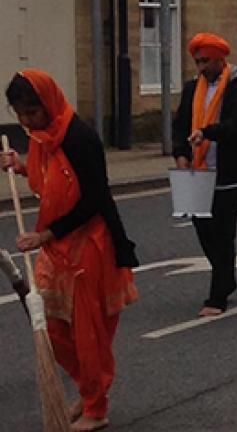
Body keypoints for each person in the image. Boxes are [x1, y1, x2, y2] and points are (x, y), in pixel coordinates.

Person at [3, 70, 139, 431]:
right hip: (58, 248)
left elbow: (94, 198)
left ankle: (97, 407)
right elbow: (46, 182)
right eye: (20, 114)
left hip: (89, 245)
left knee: (87, 332)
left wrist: (44, 235)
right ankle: (89, 387)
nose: (27, 121)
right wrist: (19, 166)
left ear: (48, 103)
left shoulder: (79, 138)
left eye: (33, 112)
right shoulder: (42, 139)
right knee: (51, 326)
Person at [173, 32, 237, 316]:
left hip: (228, 169)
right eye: (197, 61)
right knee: (202, 228)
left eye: (205, 61)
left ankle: (217, 296)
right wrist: (181, 155)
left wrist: (208, 132)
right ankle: (227, 277)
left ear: (221, 59)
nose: (200, 67)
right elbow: (180, 124)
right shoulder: (191, 88)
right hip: (197, 169)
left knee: (222, 232)